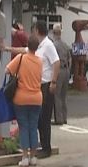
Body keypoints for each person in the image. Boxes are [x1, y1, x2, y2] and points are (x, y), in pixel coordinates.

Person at [7, 21, 60, 159]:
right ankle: (40, 145)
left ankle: (46, 147)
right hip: (38, 86)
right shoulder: (37, 46)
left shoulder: (48, 45)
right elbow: (24, 50)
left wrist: (54, 81)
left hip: (47, 84)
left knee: (44, 118)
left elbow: (56, 62)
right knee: (38, 119)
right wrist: (7, 48)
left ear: (37, 30)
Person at [6, 35, 43, 167]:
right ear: (37, 47)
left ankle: (25, 157)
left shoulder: (21, 58)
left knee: (23, 127)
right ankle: (33, 157)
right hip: (37, 98)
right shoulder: (40, 62)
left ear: (28, 45)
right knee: (33, 127)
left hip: (21, 98)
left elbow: (7, 70)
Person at [52, 24, 71, 125]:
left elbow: (54, 60)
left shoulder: (54, 45)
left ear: (54, 33)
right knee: (64, 95)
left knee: (57, 95)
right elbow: (69, 59)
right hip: (66, 70)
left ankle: (58, 119)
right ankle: (64, 117)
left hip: (59, 70)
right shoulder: (65, 45)